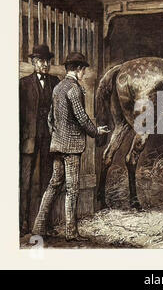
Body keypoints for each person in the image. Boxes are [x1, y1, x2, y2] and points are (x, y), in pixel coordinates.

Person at [32, 52, 110, 242]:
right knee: (72, 188)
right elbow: (82, 117)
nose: (84, 73)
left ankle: (38, 226)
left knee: (54, 184)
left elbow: (50, 118)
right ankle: (71, 231)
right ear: (79, 69)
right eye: (84, 70)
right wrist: (96, 131)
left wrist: (57, 135)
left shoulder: (58, 87)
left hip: (57, 144)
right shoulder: (74, 89)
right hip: (71, 146)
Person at [19, 44, 60, 236]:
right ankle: (23, 224)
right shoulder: (23, 83)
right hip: (28, 140)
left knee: (48, 182)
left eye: (47, 61)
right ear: (34, 63)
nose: (45, 64)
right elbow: (18, 115)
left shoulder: (55, 81)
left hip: (49, 140)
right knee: (25, 183)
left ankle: (46, 223)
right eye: (41, 61)